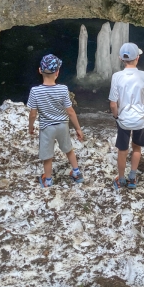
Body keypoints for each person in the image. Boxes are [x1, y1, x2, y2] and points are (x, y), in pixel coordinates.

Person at [27, 54, 84, 187]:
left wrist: (31, 127)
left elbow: (33, 114)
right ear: (57, 72)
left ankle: (48, 180)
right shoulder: (63, 89)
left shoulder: (35, 91)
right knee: (69, 150)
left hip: (47, 128)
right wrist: (78, 128)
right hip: (63, 125)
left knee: (48, 156)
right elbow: (70, 111)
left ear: (40, 70)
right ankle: (76, 172)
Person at [109, 42, 144, 189]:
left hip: (123, 120)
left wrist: (116, 116)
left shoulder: (117, 76)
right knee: (137, 148)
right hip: (140, 120)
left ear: (121, 59)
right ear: (138, 58)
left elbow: (113, 104)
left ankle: (121, 179)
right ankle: (132, 178)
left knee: (122, 150)